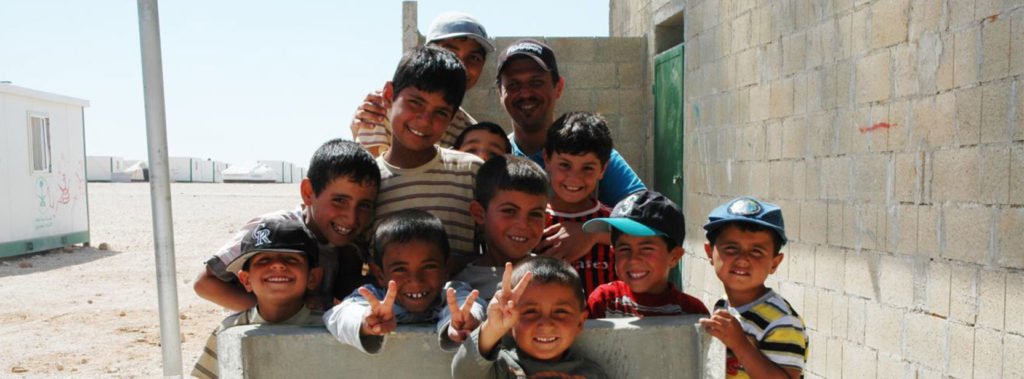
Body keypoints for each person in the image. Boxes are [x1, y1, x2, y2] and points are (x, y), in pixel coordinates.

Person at [494, 39, 646, 264]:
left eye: (536, 82)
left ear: (558, 87)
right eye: (514, 85)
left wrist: (592, 232)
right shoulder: (498, 160)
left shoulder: (594, 153)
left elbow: (650, 219)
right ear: (500, 92)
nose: (525, 93)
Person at [194, 139, 379, 312]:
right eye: (339, 200)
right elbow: (205, 283)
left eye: (364, 205)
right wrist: (274, 314)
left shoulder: (352, 243)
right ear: (308, 193)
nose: (351, 217)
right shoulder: (273, 229)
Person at [372, 45, 483, 272]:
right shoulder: (370, 181)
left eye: (441, 112)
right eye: (415, 103)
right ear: (389, 96)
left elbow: (495, 252)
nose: (424, 121)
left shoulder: (471, 173)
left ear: (452, 117)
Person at [323, 210, 485, 354]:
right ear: (380, 274)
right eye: (400, 269)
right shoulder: (373, 298)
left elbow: (470, 304)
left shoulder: (451, 294)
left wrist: (464, 321)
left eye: (429, 267)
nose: (415, 280)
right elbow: (337, 315)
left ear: (446, 269)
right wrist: (366, 321)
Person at [192, 218, 325, 379]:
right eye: (264, 260)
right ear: (246, 280)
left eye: (291, 259)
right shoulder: (229, 330)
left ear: (313, 277)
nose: (277, 266)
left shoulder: (328, 328)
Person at [350, 11, 493, 155]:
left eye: (474, 58)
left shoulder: (469, 130)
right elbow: (369, 170)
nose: (461, 64)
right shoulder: (381, 108)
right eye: (451, 52)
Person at [698, 197, 807, 379]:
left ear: (774, 263)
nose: (742, 259)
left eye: (756, 251)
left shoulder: (782, 321)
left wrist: (740, 343)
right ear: (710, 253)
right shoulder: (723, 304)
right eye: (731, 248)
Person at [451, 257, 608, 379]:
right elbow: (464, 373)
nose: (546, 325)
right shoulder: (502, 367)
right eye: (531, 312)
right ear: (510, 323)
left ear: (580, 322)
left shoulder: (591, 374)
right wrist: (492, 328)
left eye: (560, 312)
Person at [582, 190, 708, 318]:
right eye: (624, 249)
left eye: (646, 248)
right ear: (613, 252)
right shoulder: (603, 302)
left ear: (674, 256)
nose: (633, 259)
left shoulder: (692, 312)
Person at [453, 155, 548, 300]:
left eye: (535, 214)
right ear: (479, 213)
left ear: (545, 219)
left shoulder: (553, 277)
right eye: (509, 211)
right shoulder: (461, 285)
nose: (523, 225)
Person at [542, 112, 617, 295]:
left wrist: (592, 234)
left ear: (603, 169)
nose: (574, 178)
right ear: (547, 160)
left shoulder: (615, 220)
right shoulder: (533, 217)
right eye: (565, 165)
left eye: (587, 168)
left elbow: (654, 239)